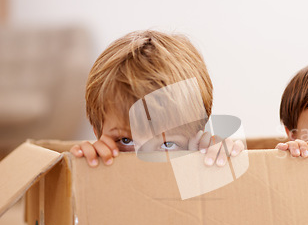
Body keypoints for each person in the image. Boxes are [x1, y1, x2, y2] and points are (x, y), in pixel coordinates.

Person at [70, 29, 243, 167]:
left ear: (197, 136)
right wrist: (88, 169)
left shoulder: (199, 157)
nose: (143, 161)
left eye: (167, 144)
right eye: (126, 141)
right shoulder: (94, 168)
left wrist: (212, 160)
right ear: (97, 132)